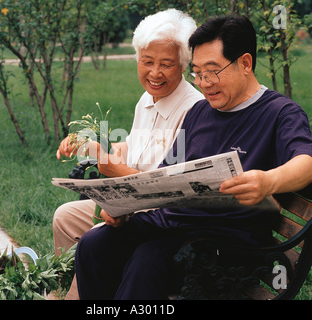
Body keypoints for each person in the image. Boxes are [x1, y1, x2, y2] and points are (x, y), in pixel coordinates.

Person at [75, 14, 312, 300]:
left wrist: (268, 181)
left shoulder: (280, 113)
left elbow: (306, 163)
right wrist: (125, 205)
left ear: (246, 63)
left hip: (225, 244)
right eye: (197, 73)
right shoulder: (200, 112)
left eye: (211, 71)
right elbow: (164, 176)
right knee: (95, 244)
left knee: (148, 260)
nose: (203, 83)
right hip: (172, 226)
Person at [53, 9, 203, 299]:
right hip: (129, 203)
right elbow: (132, 146)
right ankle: (71, 292)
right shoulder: (148, 98)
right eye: (147, 61)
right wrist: (92, 141)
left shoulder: (192, 110)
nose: (154, 73)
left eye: (166, 64)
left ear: (183, 65)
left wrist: (106, 165)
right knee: (65, 217)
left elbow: (166, 187)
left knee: (95, 237)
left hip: (158, 217)